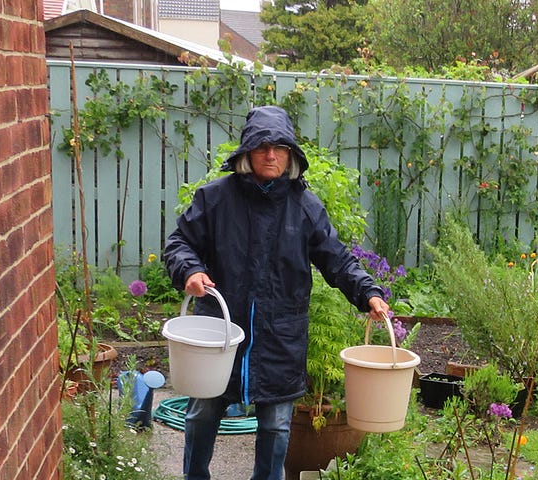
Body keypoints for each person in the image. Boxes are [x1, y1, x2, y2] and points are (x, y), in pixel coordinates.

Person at [163, 105, 392, 480]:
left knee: (276, 427)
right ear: (247, 153)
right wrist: (190, 270)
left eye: (280, 148)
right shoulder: (215, 199)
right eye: (262, 147)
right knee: (202, 413)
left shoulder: (305, 206)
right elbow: (179, 243)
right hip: (220, 332)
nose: (271, 155)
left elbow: (337, 258)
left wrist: (368, 292)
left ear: (291, 156)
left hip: (281, 336)